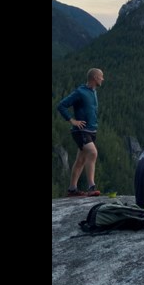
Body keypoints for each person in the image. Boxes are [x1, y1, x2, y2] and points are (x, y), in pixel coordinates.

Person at [57, 68, 105, 197]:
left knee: (81, 160)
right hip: (81, 131)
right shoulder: (80, 92)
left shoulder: (93, 91)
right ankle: (91, 187)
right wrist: (72, 120)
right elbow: (61, 105)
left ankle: (72, 189)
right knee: (93, 153)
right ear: (95, 77)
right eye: (101, 76)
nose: (103, 79)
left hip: (91, 131)